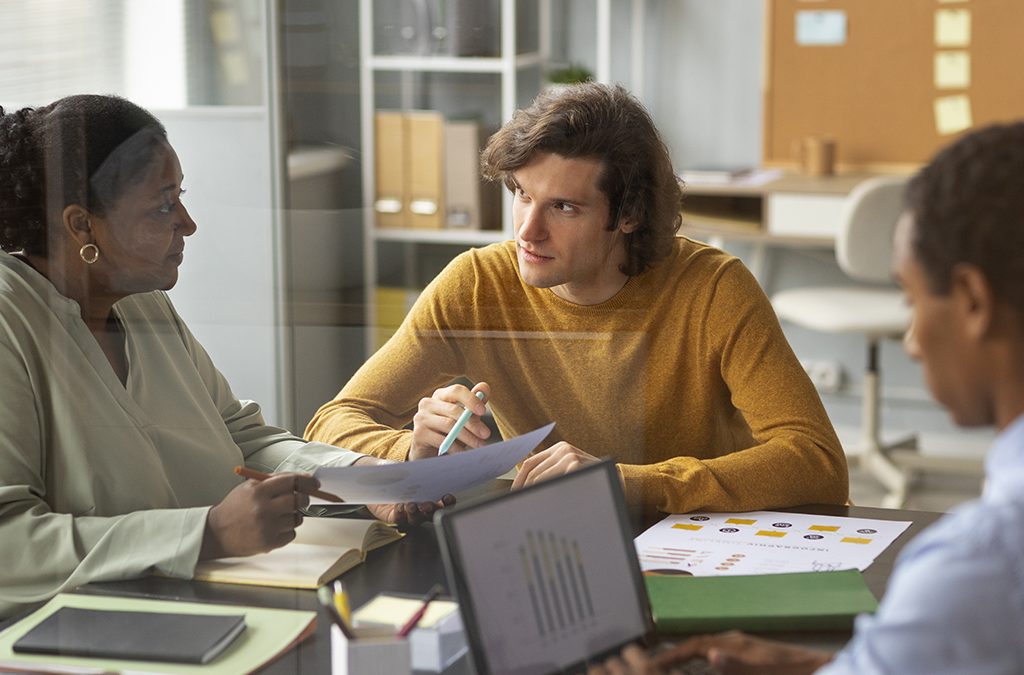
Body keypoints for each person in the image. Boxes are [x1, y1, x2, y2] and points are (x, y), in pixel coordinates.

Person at [588, 122, 1024, 674]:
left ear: (973, 301)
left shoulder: (979, 564)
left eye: (912, 299)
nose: (912, 342)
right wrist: (805, 665)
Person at [0, 95, 448, 619]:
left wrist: (367, 478)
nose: (187, 223)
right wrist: (207, 533)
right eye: (163, 206)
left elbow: (240, 438)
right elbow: (10, 544)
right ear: (81, 226)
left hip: (181, 605)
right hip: (61, 630)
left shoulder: (139, 301)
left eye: (181, 197)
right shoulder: (11, 322)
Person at [306, 83, 848, 514]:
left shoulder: (712, 289)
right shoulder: (477, 284)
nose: (528, 231)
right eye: (522, 195)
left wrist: (625, 484)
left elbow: (817, 462)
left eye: (563, 207)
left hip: (694, 541)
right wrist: (411, 452)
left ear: (629, 215)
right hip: (555, 536)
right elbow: (332, 422)